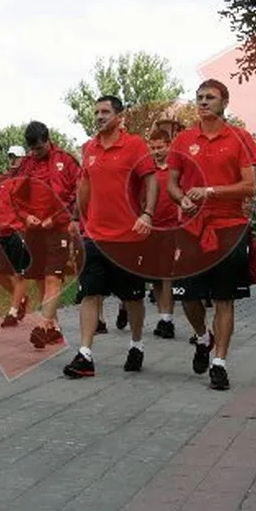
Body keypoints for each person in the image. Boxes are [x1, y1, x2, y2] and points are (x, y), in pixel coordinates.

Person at [168, 79, 256, 391]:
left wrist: (209, 191)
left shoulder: (240, 138)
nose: (203, 102)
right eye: (199, 97)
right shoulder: (183, 139)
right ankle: (202, 337)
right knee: (187, 295)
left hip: (229, 226)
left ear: (224, 102)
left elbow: (250, 186)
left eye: (210, 97)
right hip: (191, 226)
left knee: (224, 297)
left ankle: (219, 364)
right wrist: (180, 198)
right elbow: (172, 183)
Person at [63, 95, 157, 378]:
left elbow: (151, 179)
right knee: (90, 293)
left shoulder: (135, 145)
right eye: (96, 112)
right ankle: (85, 354)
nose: (99, 116)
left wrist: (147, 214)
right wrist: (79, 219)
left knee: (132, 298)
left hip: (128, 238)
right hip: (95, 237)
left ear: (120, 116)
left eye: (105, 112)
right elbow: (84, 186)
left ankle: (137, 344)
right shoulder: (89, 148)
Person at [10, 121, 82, 350]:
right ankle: (54, 329)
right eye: (32, 149)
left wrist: (59, 217)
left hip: (58, 230)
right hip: (35, 231)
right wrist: (26, 216)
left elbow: (79, 193)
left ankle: (42, 327)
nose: (36, 152)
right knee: (41, 279)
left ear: (47, 140)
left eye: (39, 148)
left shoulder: (66, 161)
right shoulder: (27, 164)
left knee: (53, 278)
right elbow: (16, 196)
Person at [0, 146, 30, 327]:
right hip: (2, 231)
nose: (13, 160)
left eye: (16, 157)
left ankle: (13, 312)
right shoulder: (0, 181)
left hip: (20, 231)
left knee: (18, 274)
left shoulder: (28, 181)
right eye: (10, 157)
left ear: (24, 159)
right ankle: (21, 298)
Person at [146, 128, 183, 339]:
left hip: (171, 227)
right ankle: (162, 317)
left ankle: (168, 320)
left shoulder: (175, 170)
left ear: (169, 145)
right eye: (152, 148)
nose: (156, 151)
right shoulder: (147, 170)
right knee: (155, 277)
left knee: (167, 275)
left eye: (160, 147)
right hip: (151, 228)